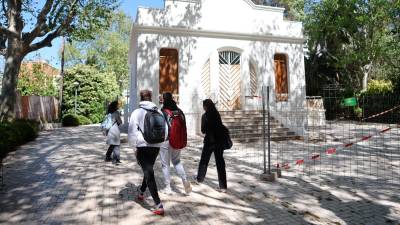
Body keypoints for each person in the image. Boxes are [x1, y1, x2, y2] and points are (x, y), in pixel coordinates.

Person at [128, 90, 168, 216]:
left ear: (141, 98)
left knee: (149, 172)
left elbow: (132, 131)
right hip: (156, 146)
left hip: (143, 146)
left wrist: (133, 147)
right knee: (148, 169)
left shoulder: (137, 112)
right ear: (151, 98)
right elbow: (166, 129)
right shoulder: (158, 111)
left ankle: (158, 205)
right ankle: (141, 193)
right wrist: (160, 143)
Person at [159, 92, 192, 195]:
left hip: (165, 141)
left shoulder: (163, 111)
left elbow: (161, 127)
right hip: (177, 139)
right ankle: (185, 180)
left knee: (165, 165)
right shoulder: (180, 111)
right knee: (177, 161)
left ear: (164, 99)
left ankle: (167, 187)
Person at [193, 99, 227, 192]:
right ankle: (223, 186)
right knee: (220, 163)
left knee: (204, 161)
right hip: (219, 141)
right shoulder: (216, 114)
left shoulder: (205, 116)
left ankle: (199, 179)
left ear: (206, 106)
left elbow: (203, 130)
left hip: (209, 142)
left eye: (203, 105)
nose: (203, 107)